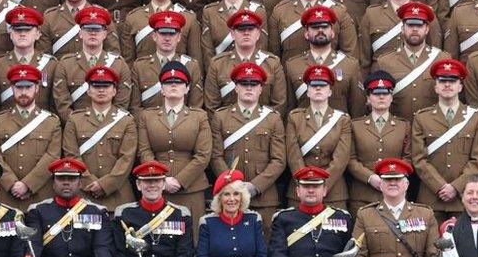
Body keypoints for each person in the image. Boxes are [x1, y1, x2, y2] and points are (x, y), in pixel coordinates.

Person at [24, 157, 113, 257]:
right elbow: (32, 247)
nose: (66, 183)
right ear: (53, 182)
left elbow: (103, 249)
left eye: (71, 179)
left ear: (80, 182)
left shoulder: (96, 212)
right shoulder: (38, 211)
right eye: (61, 178)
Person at [136, 61, 211, 235]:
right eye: (168, 83)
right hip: (157, 187)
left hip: (191, 188)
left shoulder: (199, 116)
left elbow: (203, 155)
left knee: (192, 238)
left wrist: (179, 181)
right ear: (161, 89)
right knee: (158, 237)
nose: (173, 86)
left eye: (179, 82)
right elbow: (145, 151)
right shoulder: (147, 116)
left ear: (187, 88)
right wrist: (162, 179)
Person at [209, 61, 286, 227]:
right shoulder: (220, 117)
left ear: (261, 88)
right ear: (236, 87)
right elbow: (215, 156)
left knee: (264, 246)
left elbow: (279, 160)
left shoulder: (273, 118)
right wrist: (230, 184)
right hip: (229, 196)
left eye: (254, 84)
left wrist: (255, 186)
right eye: (244, 84)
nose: (249, 88)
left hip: (263, 197)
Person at [411, 59, 478, 221]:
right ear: (435, 87)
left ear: (460, 86)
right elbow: (419, 159)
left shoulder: (475, 118)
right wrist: (440, 186)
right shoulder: (422, 117)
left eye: (452, 81)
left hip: (463, 198)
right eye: (442, 81)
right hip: (430, 196)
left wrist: (455, 187)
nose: (447, 85)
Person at [112, 160, 193, 257]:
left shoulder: (180, 214)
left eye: (156, 180)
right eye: (147, 181)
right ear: (138, 185)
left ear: (163, 184)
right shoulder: (124, 214)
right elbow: (119, 252)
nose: (152, 185)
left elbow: (185, 253)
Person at [60, 65, 137, 211]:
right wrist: (89, 182)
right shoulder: (75, 120)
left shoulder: (126, 120)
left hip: (118, 196)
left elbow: (127, 158)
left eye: (106, 86)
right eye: (96, 86)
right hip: (83, 194)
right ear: (88, 91)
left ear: (114, 90)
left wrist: (104, 185)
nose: (101, 90)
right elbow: (71, 155)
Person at [0, 64, 61, 211]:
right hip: (6, 195)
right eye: (19, 88)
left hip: (39, 195)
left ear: (37, 88)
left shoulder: (52, 121)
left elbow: (53, 157)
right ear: (12, 89)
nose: (24, 92)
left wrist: (28, 184)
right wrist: (11, 183)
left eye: (28, 87)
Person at [285, 65, 351, 209]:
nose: (318, 88)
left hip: (333, 192)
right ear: (307, 91)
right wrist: (305, 185)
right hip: (300, 191)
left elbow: (341, 158)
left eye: (323, 85)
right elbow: (293, 155)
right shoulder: (295, 118)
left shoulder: (342, 120)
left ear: (330, 91)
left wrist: (322, 187)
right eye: (314, 85)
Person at [371, 1, 450, 121]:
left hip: (430, 128)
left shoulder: (442, 59)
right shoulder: (384, 62)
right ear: (402, 28)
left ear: (427, 29)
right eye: (410, 25)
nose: (414, 29)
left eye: (419, 25)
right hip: (397, 131)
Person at [347, 71, 409, 215]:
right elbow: (350, 159)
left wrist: (392, 177)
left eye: (386, 93)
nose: (381, 97)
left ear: (391, 97)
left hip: (395, 194)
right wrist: (369, 177)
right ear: (368, 98)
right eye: (376, 93)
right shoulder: (355, 125)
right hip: (362, 195)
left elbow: (408, 157)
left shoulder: (404, 126)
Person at [285, 7, 365, 117]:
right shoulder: (293, 65)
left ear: (332, 32)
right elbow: (289, 108)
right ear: (306, 34)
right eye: (315, 27)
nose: (320, 30)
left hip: (340, 131)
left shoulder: (349, 65)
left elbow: (358, 109)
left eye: (325, 26)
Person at [203, 8, 286, 112]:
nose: (246, 33)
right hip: (229, 126)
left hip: (263, 126)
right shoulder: (218, 64)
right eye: (241, 29)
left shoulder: (272, 63)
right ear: (232, 34)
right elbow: (212, 106)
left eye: (251, 29)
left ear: (258, 34)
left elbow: (279, 104)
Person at [54, 5, 132, 114]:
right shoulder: (66, 65)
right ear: (80, 33)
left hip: (110, 128)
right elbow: (63, 105)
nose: (93, 33)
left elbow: (121, 104)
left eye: (97, 29)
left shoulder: (118, 65)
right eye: (88, 29)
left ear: (105, 34)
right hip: (76, 128)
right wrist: (77, 124)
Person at [121, 0, 202, 63]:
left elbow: (195, 60)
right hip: (145, 77)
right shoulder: (133, 18)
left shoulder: (188, 19)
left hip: (177, 77)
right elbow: (128, 61)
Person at [199, 0, 268, 67]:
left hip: (251, 75)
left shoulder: (257, 11)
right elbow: (207, 50)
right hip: (221, 74)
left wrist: (249, 73)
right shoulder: (210, 12)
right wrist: (216, 73)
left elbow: (261, 47)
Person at [129, 10, 203, 111]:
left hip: (182, 124)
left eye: (172, 34)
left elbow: (195, 108)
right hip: (148, 124)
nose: (167, 38)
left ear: (179, 37)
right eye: (163, 33)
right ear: (154, 36)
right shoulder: (140, 66)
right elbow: (135, 108)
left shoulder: (191, 66)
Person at [0, 5, 57, 114]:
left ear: (38, 34)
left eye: (27, 30)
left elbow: (54, 105)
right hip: (8, 126)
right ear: (11, 34)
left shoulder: (51, 65)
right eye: (17, 30)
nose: (22, 34)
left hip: (41, 126)